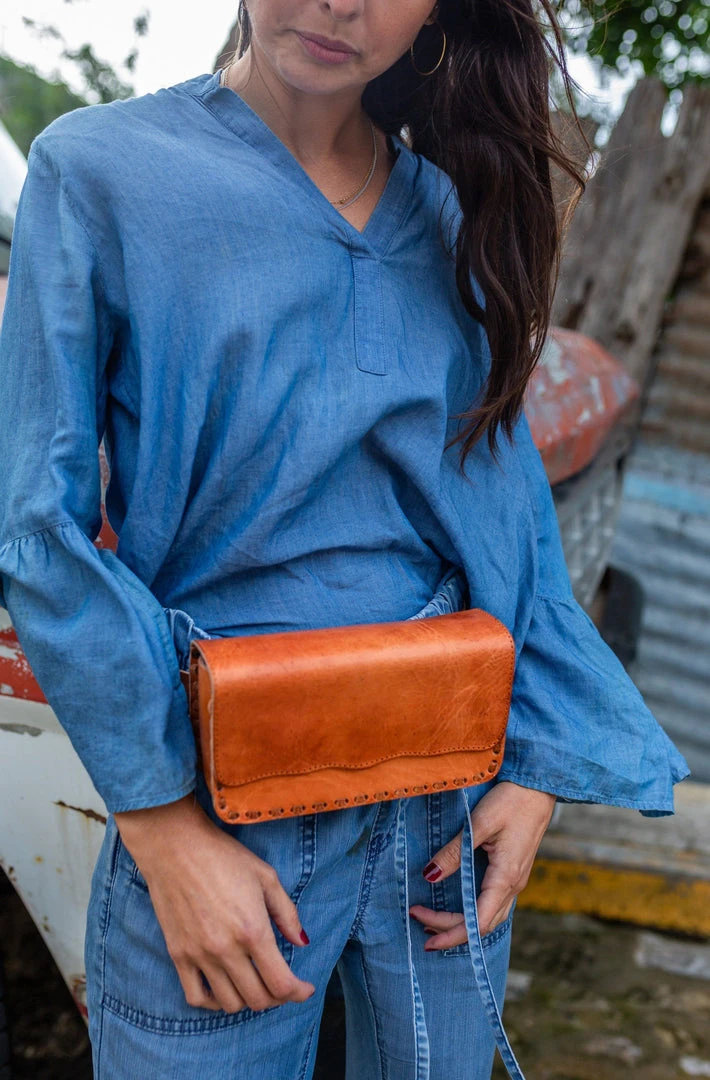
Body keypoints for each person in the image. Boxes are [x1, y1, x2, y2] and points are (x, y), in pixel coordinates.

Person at [0, 1, 690, 1077]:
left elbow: (505, 514)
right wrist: (162, 827)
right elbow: (36, 526)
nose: (341, 2)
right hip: (225, 792)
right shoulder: (100, 171)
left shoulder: (455, 210)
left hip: (446, 801)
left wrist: (535, 770)